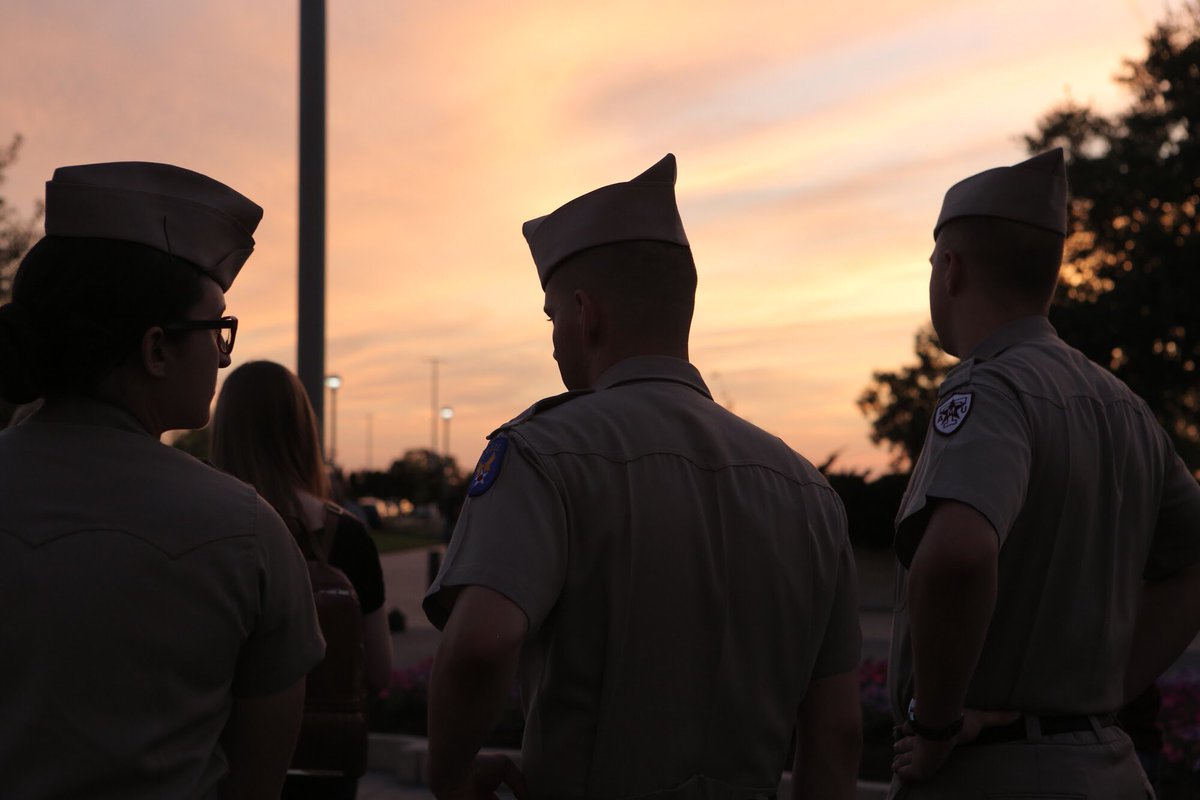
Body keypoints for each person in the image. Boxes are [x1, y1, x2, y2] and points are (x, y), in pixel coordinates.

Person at [423, 154, 863, 800]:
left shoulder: (543, 454)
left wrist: (449, 776)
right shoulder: (808, 491)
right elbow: (836, 730)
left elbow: (481, 645)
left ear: (586, 314)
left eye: (552, 317)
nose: (553, 340)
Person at [0, 162, 326, 798]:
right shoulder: (245, 531)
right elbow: (257, 781)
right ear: (156, 349)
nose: (222, 356)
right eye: (217, 328)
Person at [886, 149, 1200, 798]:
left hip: (995, 775)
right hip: (1109, 769)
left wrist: (937, 725)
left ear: (951, 269)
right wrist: (1103, 692)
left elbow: (957, 556)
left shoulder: (989, 388)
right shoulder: (1125, 408)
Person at [211, 359, 392, 800]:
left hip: (223, 761)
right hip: (323, 765)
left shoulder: (206, 527)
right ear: (302, 429)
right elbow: (380, 670)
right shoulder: (348, 536)